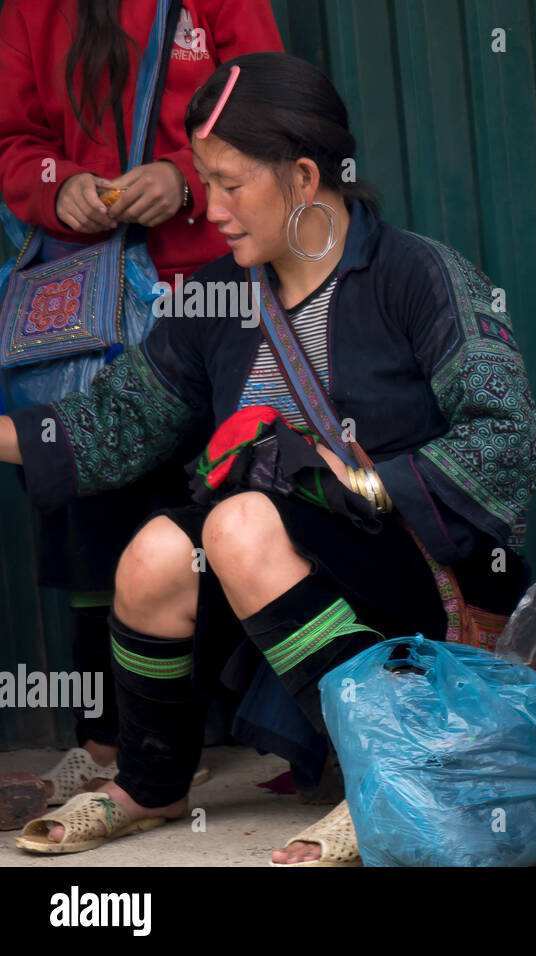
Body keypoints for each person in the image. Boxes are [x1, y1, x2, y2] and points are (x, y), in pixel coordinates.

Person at [3, 52, 536, 865]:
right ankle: (153, 785)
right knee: (155, 551)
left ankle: (388, 774)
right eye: (204, 181)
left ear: (301, 176)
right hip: (280, 570)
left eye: (229, 183)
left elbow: (507, 439)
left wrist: (349, 483)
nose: (210, 208)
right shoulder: (218, 300)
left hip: (427, 575)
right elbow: (108, 426)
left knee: (241, 520)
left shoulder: (417, 276)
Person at [0, 0, 282, 807]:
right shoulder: (31, 9)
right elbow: (15, 143)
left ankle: (212, 730)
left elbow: (268, 110)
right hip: (88, 308)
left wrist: (185, 179)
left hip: (208, 286)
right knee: (90, 501)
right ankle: (108, 740)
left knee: (213, 501)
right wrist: (65, 190)